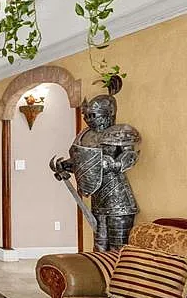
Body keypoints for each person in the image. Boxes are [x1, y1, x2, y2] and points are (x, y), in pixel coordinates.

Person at [51, 88, 141, 250]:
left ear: (107, 114)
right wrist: (65, 165)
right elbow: (84, 163)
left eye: (93, 115)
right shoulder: (85, 135)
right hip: (97, 197)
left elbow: (130, 156)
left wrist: (114, 164)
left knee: (118, 249)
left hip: (118, 196)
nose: (88, 120)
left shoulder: (119, 132)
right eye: (86, 116)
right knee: (99, 247)